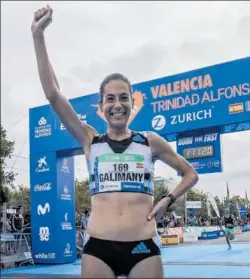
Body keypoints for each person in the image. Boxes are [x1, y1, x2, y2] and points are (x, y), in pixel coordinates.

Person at [31, 6, 199, 278]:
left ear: (132, 104)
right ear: (101, 106)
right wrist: (38, 35)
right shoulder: (90, 140)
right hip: (99, 248)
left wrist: (167, 200)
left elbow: (190, 174)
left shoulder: (150, 141)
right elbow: (53, 94)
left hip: (143, 246)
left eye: (124, 98)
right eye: (110, 98)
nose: (117, 104)